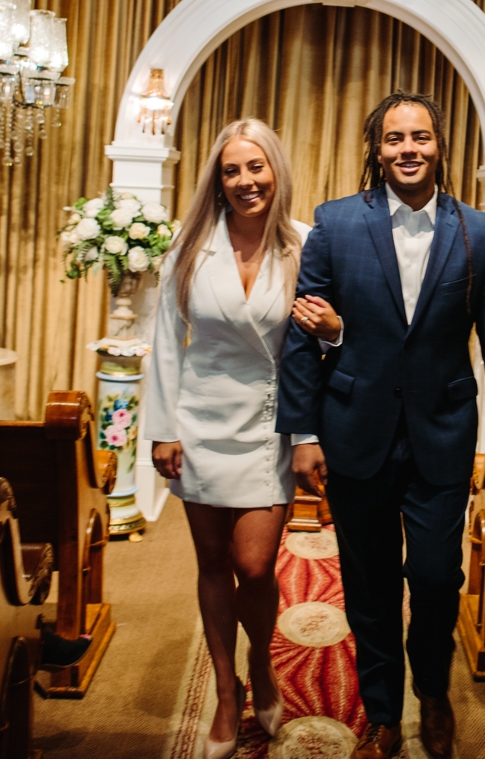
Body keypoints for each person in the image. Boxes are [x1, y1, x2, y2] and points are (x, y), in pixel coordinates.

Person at [275, 92, 485, 759]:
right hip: (354, 429)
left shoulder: (479, 233)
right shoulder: (334, 225)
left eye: (419, 137)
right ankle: (385, 711)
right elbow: (305, 339)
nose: (407, 149)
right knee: (371, 584)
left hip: (444, 435)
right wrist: (302, 432)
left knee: (440, 577)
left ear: (440, 146)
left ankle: (435, 691)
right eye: (394, 139)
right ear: (377, 149)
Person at [143, 119, 340, 758]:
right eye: (232, 170)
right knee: (211, 564)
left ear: (275, 171)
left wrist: (309, 429)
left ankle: (262, 665)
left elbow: (314, 350)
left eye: (255, 167)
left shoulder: (306, 245)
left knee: (254, 563)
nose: (245, 181)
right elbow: (166, 345)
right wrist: (164, 428)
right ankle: (229, 693)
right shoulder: (189, 245)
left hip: (268, 422)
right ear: (218, 180)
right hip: (199, 421)